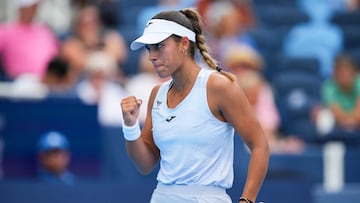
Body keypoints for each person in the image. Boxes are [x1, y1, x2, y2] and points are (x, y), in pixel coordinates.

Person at [120, 8, 269, 203]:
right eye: (149, 49)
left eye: (159, 46)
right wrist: (130, 126)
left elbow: (260, 145)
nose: (152, 56)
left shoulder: (219, 86)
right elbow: (145, 164)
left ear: (183, 43)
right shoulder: (157, 94)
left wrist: (247, 200)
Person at [0, 0, 59, 80]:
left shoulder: (44, 31)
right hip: (19, 81)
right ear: (21, 8)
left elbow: (56, 57)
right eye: (31, 7)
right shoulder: (6, 30)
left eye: (35, 7)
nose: (34, 10)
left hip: (48, 80)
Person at [321, 53, 360, 131]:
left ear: (354, 73)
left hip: (356, 121)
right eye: (340, 72)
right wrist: (348, 121)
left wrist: (352, 120)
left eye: (346, 71)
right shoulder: (329, 86)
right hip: (338, 124)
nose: (343, 75)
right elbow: (336, 112)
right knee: (324, 116)